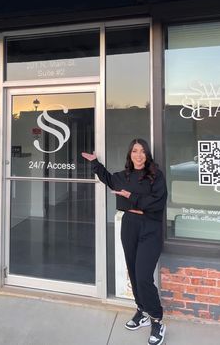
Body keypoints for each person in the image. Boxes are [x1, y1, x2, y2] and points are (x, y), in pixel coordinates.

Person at [82, 138, 167, 345]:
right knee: (133, 272)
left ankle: (157, 320)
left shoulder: (156, 176)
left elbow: (158, 203)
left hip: (150, 228)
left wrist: (132, 197)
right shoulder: (123, 176)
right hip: (129, 226)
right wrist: (95, 162)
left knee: (143, 275)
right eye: (135, 151)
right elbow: (108, 179)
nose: (138, 155)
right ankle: (142, 310)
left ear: (147, 155)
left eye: (142, 152)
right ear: (129, 154)